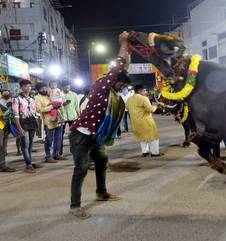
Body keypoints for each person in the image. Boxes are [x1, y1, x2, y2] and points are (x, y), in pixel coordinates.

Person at [68, 31, 131, 219]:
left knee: (102, 162)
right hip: (80, 135)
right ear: (116, 81)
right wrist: (124, 44)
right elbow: (119, 65)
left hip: (96, 136)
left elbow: (124, 67)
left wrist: (127, 53)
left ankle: (101, 192)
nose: (122, 89)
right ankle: (74, 206)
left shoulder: (111, 93)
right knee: (81, 169)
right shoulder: (103, 86)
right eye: (122, 86)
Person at [13, 80, 43, 173]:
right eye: (26, 86)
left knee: (30, 145)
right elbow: (16, 115)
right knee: (25, 145)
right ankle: (28, 165)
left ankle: (29, 162)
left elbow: (35, 112)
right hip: (23, 123)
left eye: (29, 86)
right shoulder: (16, 99)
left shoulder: (32, 98)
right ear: (21, 87)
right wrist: (19, 128)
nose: (28, 88)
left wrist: (38, 123)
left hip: (32, 123)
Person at [126, 85, 162, 157]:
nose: (145, 92)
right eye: (144, 91)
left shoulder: (129, 99)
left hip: (135, 122)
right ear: (139, 91)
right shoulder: (143, 98)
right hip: (145, 121)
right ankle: (154, 153)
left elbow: (127, 108)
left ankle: (145, 152)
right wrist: (156, 106)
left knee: (142, 137)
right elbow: (150, 109)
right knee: (154, 137)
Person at [35, 82, 64, 163]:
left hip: (58, 119)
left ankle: (56, 154)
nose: (44, 89)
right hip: (48, 121)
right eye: (41, 88)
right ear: (38, 90)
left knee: (58, 138)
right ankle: (48, 156)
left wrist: (60, 105)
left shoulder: (50, 95)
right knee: (49, 139)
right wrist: (52, 106)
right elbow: (39, 109)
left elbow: (58, 102)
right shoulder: (37, 98)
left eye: (45, 87)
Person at [60, 81, 80, 156]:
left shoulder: (74, 94)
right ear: (62, 87)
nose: (67, 88)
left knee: (74, 135)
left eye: (68, 87)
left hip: (73, 117)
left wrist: (79, 116)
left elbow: (77, 106)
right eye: (65, 87)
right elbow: (57, 105)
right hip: (63, 117)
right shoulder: (59, 94)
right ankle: (59, 152)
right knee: (60, 135)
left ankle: (74, 149)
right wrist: (63, 104)